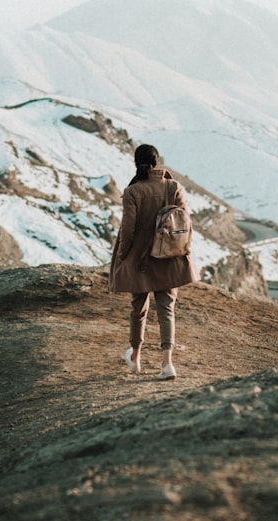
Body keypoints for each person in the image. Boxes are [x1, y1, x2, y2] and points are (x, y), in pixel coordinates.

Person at [109, 144, 199, 380]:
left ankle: (135, 357)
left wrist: (122, 255)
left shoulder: (132, 192)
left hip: (140, 260)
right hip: (168, 257)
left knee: (138, 309)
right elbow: (184, 221)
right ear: (157, 163)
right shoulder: (173, 186)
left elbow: (127, 229)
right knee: (166, 309)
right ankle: (167, 364)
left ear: (136, 164)